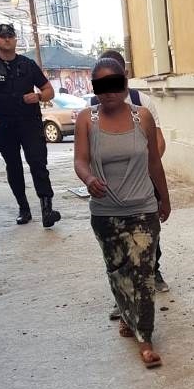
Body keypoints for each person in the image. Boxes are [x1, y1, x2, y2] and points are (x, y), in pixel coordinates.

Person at [74, 58, 171, 369]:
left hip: (143, 207)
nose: (109, 93)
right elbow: (80, 160)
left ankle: (145, 339)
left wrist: (164, 198)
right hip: (105, 212)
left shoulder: (142, 117)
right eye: (101, 87)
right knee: (118, 271)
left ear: (125, 83)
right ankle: (128, 316)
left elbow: (154, 161)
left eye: (114, 85)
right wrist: (88, 178)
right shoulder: (86, 120)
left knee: (142, 273)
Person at [90, 49, 170, 297]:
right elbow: (87, 152)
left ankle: (153, 270)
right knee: (118, 249)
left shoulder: (143, 103)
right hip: (111, 190)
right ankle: (123, 295)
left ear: (125, 76)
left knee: (146, 237)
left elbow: (158, 141)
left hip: (142, 179)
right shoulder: (91, 110)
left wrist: (144, 167)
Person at [0, 23, 61, 228]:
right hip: (5, 124)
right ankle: (24, 209)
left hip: (29, 122)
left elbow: (49, 91)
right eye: (2, 36)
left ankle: (47, 209)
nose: (7, 39)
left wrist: (38, 96)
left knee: (38, 163)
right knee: (13, 167)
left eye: (10, 36)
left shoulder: (27, 64)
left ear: (15, 39)